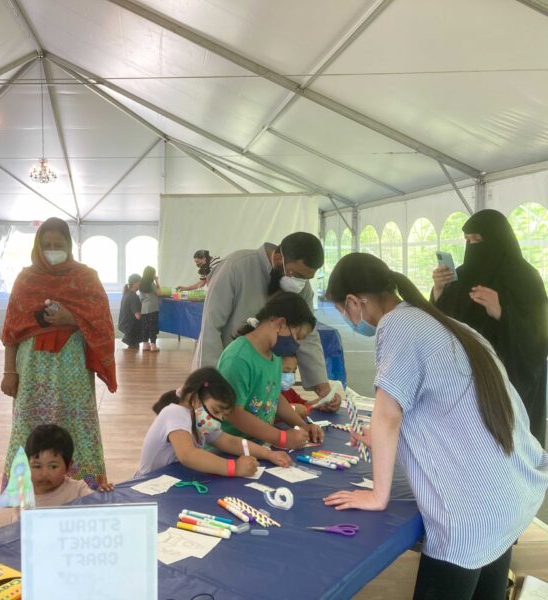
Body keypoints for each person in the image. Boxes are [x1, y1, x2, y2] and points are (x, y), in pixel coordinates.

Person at [323, 253, 548, 599]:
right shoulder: (442, 323)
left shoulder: (397, 325)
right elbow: (449, 409)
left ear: (355, 301)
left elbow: (388, 414)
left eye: (342, 310)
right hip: (507, 496)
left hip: (472, 512)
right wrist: (381, 439)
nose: (347, 318)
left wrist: (376, 495)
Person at [0, 218, 116, 492]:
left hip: (72, 369)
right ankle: (26, 488)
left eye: (59, 245)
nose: (53, 249)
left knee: (75, 423)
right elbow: (11, 329)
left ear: (70, 246)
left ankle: (82, 487)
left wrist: (72, 317)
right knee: (29, 424)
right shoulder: (26, 279)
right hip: (32, 371)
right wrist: (8, 372)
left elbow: (103, 322)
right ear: (38, 246)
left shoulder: (85, 277)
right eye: (47, 245)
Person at [431, 209, 547, 446]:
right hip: (468, 375)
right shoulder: (463, 274)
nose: (472, 246)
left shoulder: (525, 277)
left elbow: (539, 335)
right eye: (468, 240)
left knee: (508, 443)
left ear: (497, 239)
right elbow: (445, 319)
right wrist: (439, 291)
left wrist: (502, 312)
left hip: (510, 377)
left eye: (478, 240)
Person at [193, 232, 340, 412]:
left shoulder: (301, 286)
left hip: (265, 382)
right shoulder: (236, 267)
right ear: (278, 258)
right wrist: (212, 384)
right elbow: (211, 327)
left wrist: (321, 386)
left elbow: (307, 335)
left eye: (307, 278)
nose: (300, 282)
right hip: (227, 375)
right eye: (297, 274)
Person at [136, 367, 291, 477]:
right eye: (216, 411)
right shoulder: (175, 413)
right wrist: (234, 467)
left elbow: (230, 441)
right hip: (148, 488)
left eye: (222, 415)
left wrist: (268, 454)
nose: (218, 420)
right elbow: (188, 455)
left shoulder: (199, 423)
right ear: (194, 399)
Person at [217, 291, 324, 449]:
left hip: (259, 443)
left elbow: (274, 396)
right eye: (296, 336)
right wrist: (281, 438)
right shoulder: (238, 358)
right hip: (230, 448)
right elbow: (234, 413)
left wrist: (302, 425)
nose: (297, 345)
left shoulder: (274, 355)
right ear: (280, 324)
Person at [26, 424, 113, 508]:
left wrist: (102, 495)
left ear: (68, 466)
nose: (44, 474)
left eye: (53, 466)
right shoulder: (21, 494)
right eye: (37, 466)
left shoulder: (78, 490)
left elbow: (99, 506)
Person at [139, 266, 161, 352]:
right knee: (153, 327)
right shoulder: (151, 284)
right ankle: (153, 346)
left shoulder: (141, 284)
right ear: (151, 274)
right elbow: (160, 293)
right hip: (153, 308)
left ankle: (145, 345)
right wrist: (156, 281)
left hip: (144, 308)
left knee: (145, 327)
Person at [119, 273, 142, 349]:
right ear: (134, 283)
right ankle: (130, 339)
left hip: (123, 324)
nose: (141, 285)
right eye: (140, 282)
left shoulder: (126, 293)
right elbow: (138, 316)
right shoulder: (133, 297)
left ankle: (130, 340)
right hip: (130, 326)